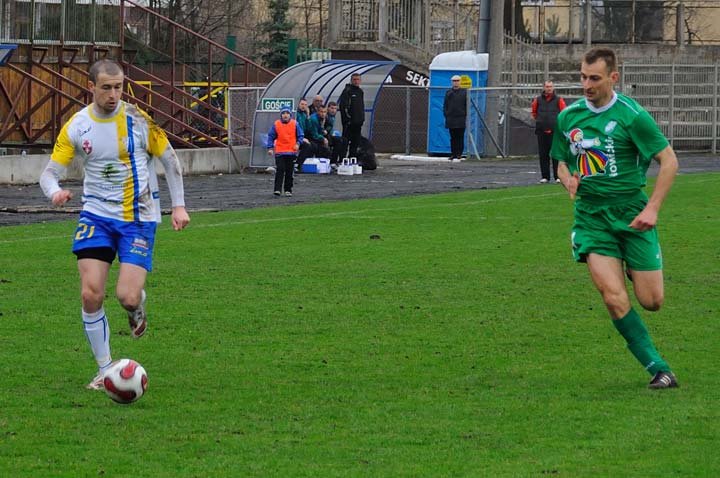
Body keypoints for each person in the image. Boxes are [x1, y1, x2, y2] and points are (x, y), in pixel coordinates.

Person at [39, 59, 191, 390]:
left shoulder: (138, 119)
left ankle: (137, 307)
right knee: (91, 293)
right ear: (91, 87)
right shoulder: (77, 126)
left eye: (118, 86)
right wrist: (55, 192)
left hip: (139, 217)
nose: (113, 94)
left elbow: (170, 160)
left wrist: (178, 206)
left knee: (127, 296)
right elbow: (49, 173)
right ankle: (105, 368)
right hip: (96, 216)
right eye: (106, 87)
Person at [551, 47, 679, 389]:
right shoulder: (569, 117)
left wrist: (652, 208)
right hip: (592, 217)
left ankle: (631, 263)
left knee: (652, 302)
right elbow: (561, 160)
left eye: (594, 78)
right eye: (582, 77)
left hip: (632, 213)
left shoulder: (632, 116)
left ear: (613, 78)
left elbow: (669, 161)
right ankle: (658, 368)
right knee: (611, 296)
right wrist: (567, 178)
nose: (586, 84)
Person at [531, 80, 567, 183]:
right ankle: (545, 176)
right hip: (541, 131)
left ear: (553, 88)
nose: (549, 88)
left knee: (556, 155)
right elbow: (533, 113)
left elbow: (564, 113)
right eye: (547, 86)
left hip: (555, 131)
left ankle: (558, 176)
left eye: (550, 86)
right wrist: (540, 122)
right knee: (543, 154)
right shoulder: (537, 100)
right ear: (544, 88)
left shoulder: (559, 100)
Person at [266, 106, 303, 196]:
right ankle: (277, 189)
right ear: (281, 115)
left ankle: (288, 190)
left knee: (289, 171)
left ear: (290, 115)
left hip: (291, 152)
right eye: (283, 113)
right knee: (280, 170)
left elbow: (300, 135)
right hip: (280, 152)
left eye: (287, 113)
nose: (285, 115)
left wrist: (298, 144)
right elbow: (271, 136)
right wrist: (270, 148)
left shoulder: (295, 124)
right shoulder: (277, 124)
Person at [339, 73, 364, 159]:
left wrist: (362, 119)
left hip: (358, 123)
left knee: (355, 142)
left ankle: (352, 160)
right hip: (349, 123)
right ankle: (342, 160)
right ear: (351, 80)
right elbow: (343, 107)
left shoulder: (360, 92)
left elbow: (361, 107)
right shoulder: (347, 91)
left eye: (358, 79)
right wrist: (348, 120)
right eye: (354, 79)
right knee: (345, 142)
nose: (356, 81)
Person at [443, 75, 467, 161]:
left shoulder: (464, 92)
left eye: (457, 81)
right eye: (454, 81)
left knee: (460, 137)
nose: (455, 82)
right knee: (453, 137)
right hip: (451, 119)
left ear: (460, 82)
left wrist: (464, 114)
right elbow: (445, 105)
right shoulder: (449, 92)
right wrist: (447, 114)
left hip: (460, 118)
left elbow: (466, 105)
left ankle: (459, 154)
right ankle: (453, 154)